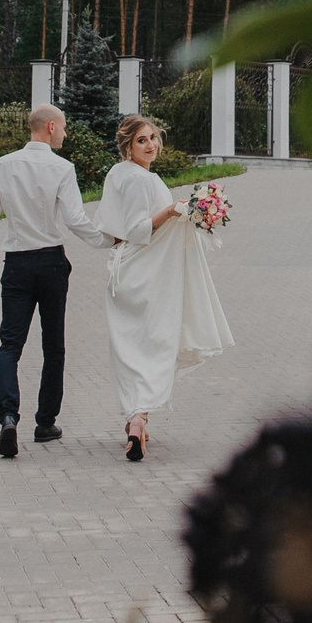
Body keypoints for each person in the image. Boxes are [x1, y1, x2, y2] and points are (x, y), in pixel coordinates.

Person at [0, 103, 110, 459]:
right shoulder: (62, 168)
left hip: (16, 264)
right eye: (63, 128)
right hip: (51, 263)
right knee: (54, 345)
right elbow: (76, 219)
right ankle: (45, 422)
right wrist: (108, 240)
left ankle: (8, 415)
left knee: (10, 344)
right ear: (50, 127)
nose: (65, 134)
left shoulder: (3, 166)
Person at [98, 114, 234, 461]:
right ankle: (139, 418)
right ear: (128, 144)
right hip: (146, 273)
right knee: (157, 343)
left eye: (154, 138)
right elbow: (139, 229)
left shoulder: (118, 174)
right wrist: (175, 210)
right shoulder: (140, 180)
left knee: (130, 348)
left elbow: (111, 230)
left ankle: (135, 419)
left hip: (124, 271)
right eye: (142, 140)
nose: (151, 145)